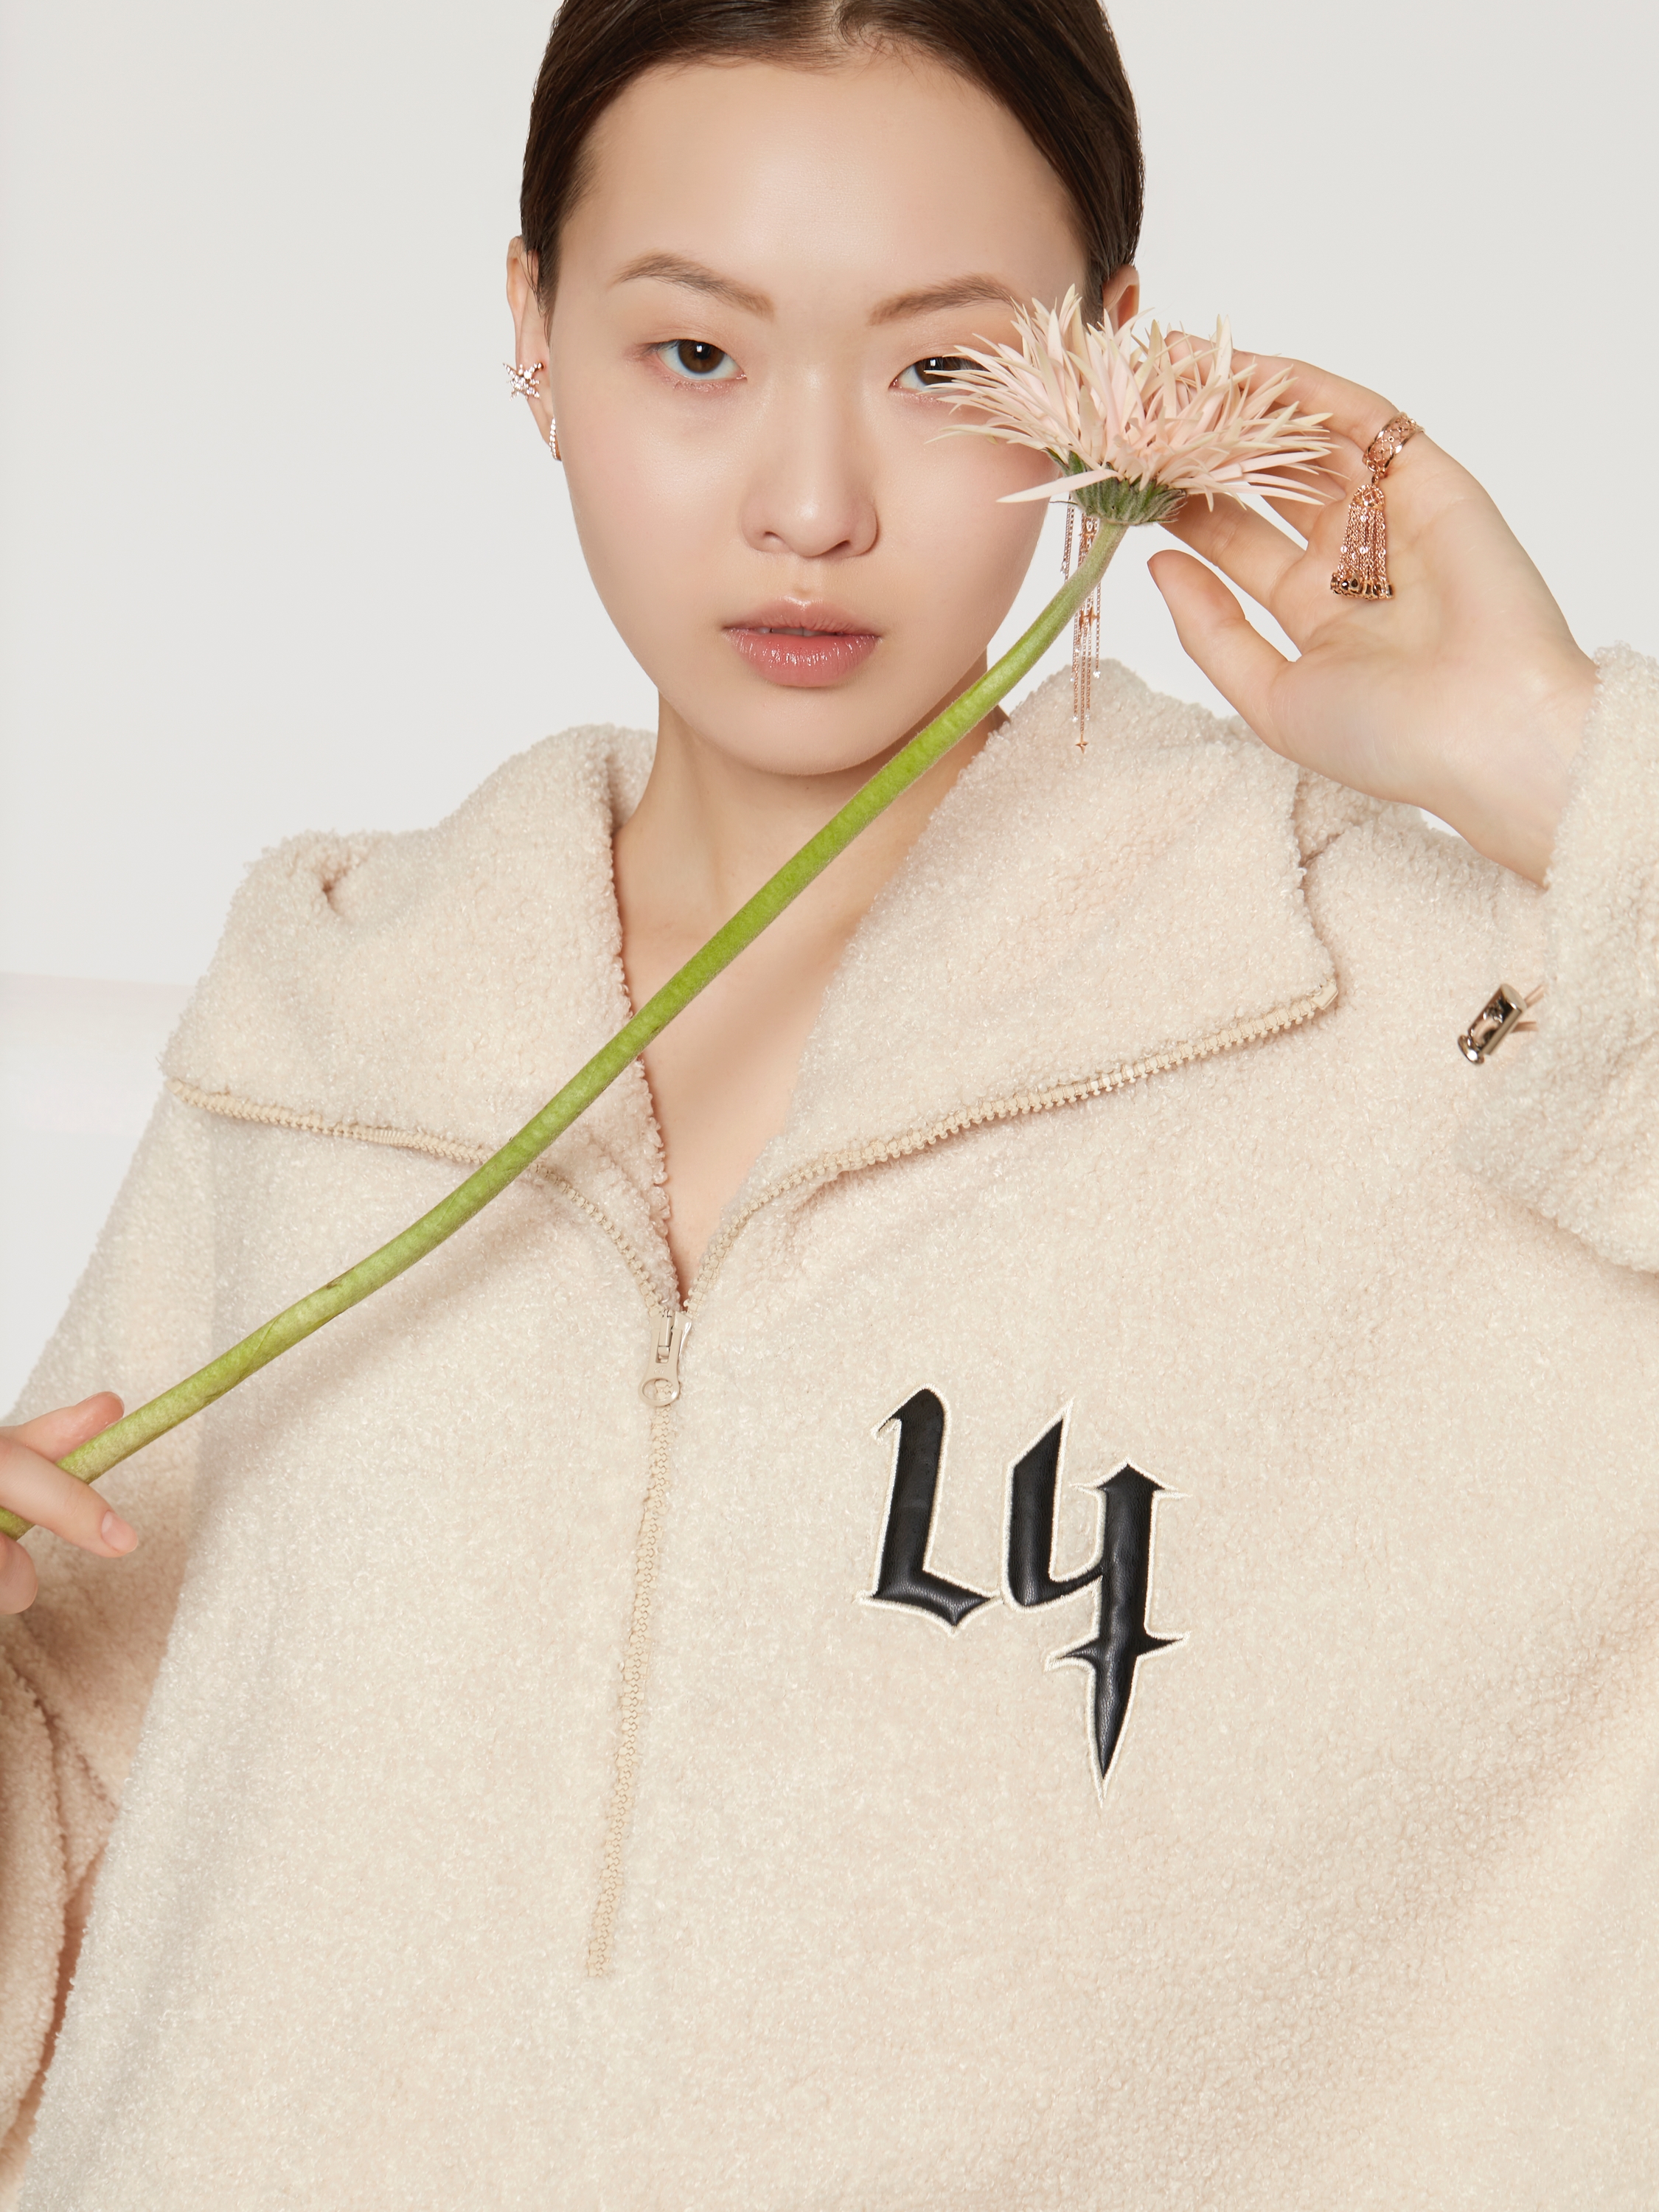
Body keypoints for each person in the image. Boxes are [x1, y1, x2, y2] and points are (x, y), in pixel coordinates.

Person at [1, 0, 1654, 2202]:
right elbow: (91, 1855)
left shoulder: (1447, 1023)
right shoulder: (325, 1029)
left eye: (944, 370)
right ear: (535, 331)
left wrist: (1551, 761)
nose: (810, 506)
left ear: (1114, 363)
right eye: (694, 354)